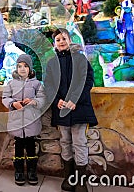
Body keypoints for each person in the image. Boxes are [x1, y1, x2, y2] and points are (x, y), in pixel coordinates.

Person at [44, 28, 98, 192]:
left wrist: (75, 100)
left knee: (80, 143)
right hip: (61, 110)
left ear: (69, 40)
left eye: (64, 38)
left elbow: (87, 80)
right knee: (65, 142)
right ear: (54, 44)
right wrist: (57, 100)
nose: (61, 41)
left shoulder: (80, 59)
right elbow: (48, 85)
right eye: (58, 39)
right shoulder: (52, 63)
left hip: (79, 109)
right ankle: (69, 177)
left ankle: (81, 181)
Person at [2, 54, 46, 186]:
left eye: (25, 66)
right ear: (16, 68)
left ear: (30, 69)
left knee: (31, 147)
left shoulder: (37, 84)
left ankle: (32, 171)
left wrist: (33, 101)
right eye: (20, 66)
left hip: (31, 121)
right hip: (17, 122)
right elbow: (5, 97)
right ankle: (19, 171)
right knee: (19, 147)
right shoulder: (11, 83)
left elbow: (42, 99)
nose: (22, 69)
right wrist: (13, 103)